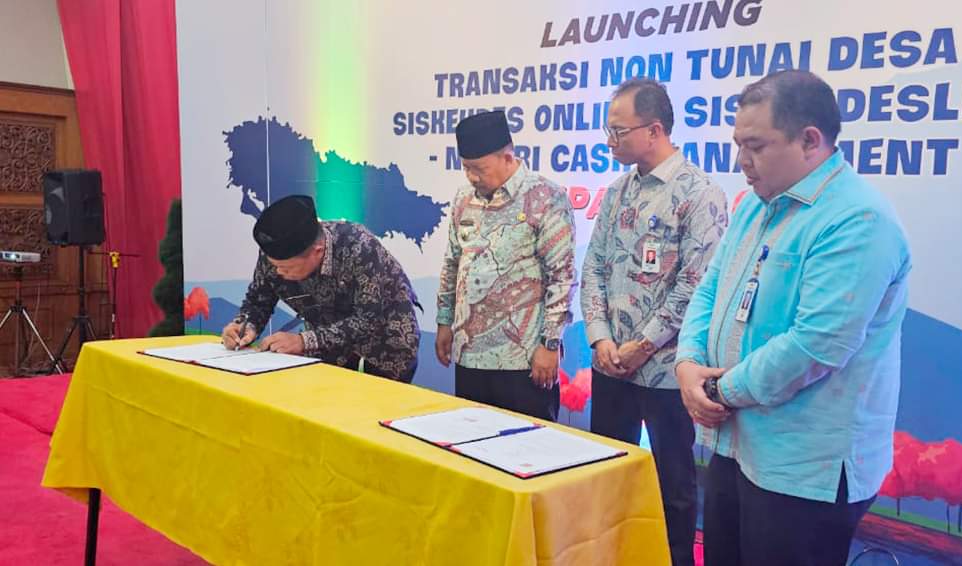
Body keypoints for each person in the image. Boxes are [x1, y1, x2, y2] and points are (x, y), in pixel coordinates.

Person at [675, 70, 912, 566]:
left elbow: (815, 345)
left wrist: (718, 391)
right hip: (736, 444)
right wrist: (688, 364)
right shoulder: (754, 206)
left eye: (756, 146)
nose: (742, 161)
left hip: (804, 469)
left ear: (809, 141)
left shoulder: (858, 219)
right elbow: (711, 288)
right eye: (739, 145)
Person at [580, 77, 727, 566]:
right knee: (607, 474)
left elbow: (696, 287)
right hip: (610, 366)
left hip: (667, 372)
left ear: (655, 130)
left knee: (673, 485)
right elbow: (593, 268)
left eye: (618, 131)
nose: (609, 141)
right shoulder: (617, 192)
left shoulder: (700, 194)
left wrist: (642, 346)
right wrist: (600, 339)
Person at [435, 110, 576, 421]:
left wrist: (550, 344)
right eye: (466, 167)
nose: (472, 177)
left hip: (522, 360)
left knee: (528, 444)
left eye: (479, 169)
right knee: (470, 440)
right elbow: (453, 263)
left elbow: (562, 277)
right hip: (469, 354)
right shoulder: (463, 199)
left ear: (508, 157)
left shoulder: (546, 197)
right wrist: (444, 321)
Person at [222, 194, 421, 382]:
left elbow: (368, 320)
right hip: (328, 352)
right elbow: (258, 301)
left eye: (287, 268)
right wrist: (245, 326)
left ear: (317, 251)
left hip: (385, 350)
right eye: (274, 265)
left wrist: (303, 341)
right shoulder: (275, 254)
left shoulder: (359, 246)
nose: (278, 272)